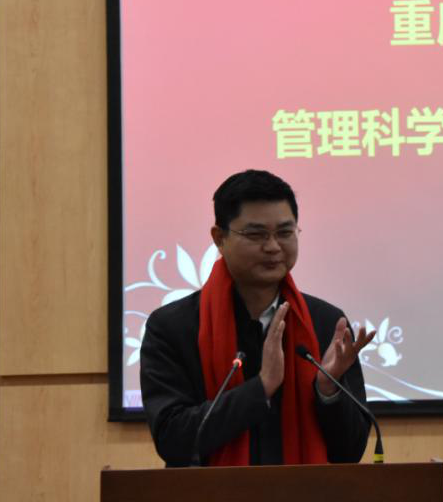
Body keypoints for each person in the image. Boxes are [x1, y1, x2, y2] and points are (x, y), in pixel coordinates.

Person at [140, 169, 376, 466]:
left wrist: (328, 392)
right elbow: (172, 440)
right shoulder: (173, 327)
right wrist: (260, 388)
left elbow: (350, 452)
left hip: (305, 489)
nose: (273, 246)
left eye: (285, 233)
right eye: (256, 234)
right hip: (213, 490)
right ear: (219, 238)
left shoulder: (326, 323)